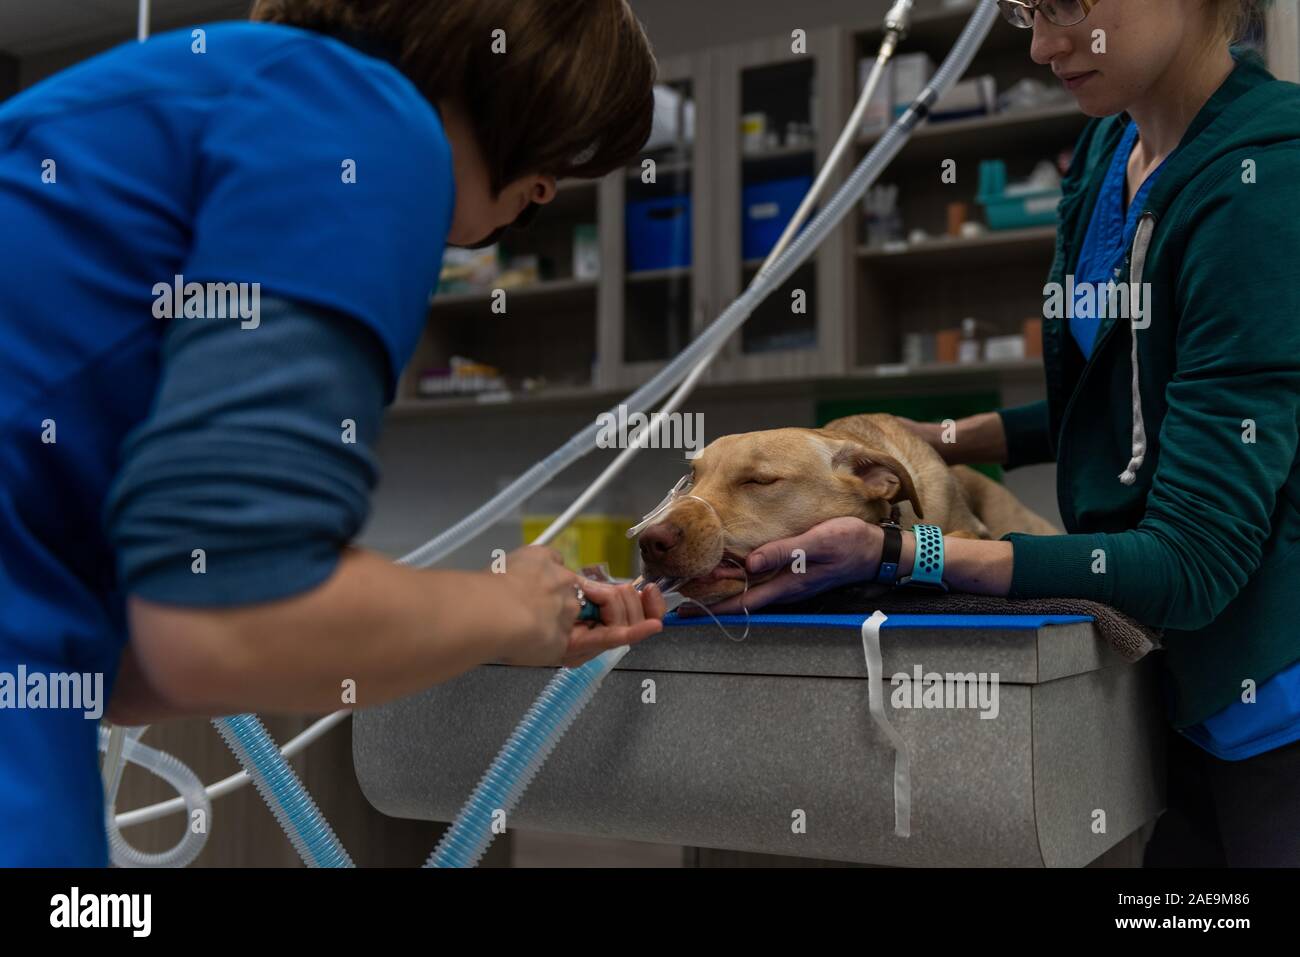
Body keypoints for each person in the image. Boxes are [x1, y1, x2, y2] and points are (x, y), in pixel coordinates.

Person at [0, 0, 664, 866]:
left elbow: (134, 665)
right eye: (565, 148)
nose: (546, 187)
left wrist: (487, 620)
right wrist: (505, 607)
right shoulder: (360, 123)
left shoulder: (183, 101)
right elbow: (228, 619)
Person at [692, 0, 1300, 866]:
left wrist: (907, 555)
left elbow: (1194, 562)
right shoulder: (1107, 152)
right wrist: (935, 437)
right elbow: (1126, 399)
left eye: (1069, 5)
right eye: (1025, 9)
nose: (1043, 44)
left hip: (1275, 705)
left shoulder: (1263, 190)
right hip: (1180, 698)